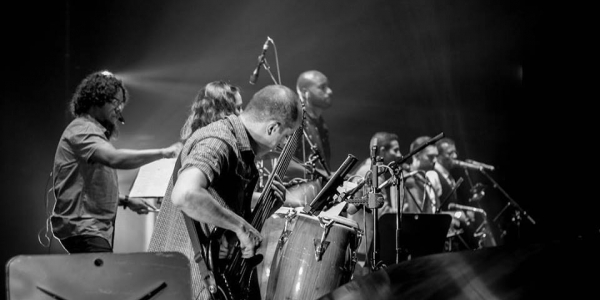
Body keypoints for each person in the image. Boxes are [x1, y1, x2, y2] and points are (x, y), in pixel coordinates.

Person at [148, 84, 301, 300]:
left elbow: (221, 219)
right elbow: (185, 194)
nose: (283, 144)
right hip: (189, 283)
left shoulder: (241, 150)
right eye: (285, 136)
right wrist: (241, 228)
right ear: (272, 128)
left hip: (204, 281)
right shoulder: (219, 141)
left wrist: (262, 210)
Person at [50, 70, 182, 254]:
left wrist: (126, 201)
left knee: (98, 282)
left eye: (121, 104)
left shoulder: (91, 132)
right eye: (114, 102)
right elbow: (115, 159)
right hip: (85, 227)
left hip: (92, 228)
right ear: (96, 99)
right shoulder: (82, 129)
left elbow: (86, 187)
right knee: (103, 282)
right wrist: (163, 152)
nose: (119, 109)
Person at [346, 132, 403, 273]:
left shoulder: (377, 172)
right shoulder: (370, 173)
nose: (399, 154)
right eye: (395, 150)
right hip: (363, 246)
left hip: (367, 245)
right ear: (382, 150)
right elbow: (380, 211)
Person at [402, 136, 439, 214]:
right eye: (431, 157)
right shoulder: (406, 179)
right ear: (417, 156)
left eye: (436, 156)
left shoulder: (426, 179)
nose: (435, 160)